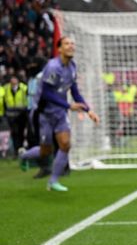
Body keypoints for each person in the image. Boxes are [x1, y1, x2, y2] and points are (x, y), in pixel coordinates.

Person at [18, 37, 100, 191]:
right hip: (43, 113)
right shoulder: (53, 67)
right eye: (67, 43)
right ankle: (23, 156)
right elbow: (47, 94)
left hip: (60, 113)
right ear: (60, 49)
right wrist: (69, 105)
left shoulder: (72, 67)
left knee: (65, 145)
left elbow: (74, 91)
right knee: (45, 151)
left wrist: (89, 110)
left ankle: (53, 181)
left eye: (73, 44)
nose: (71, 46)